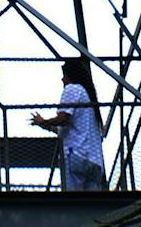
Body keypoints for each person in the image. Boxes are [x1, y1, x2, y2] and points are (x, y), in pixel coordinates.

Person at [32, 56, 107, 192]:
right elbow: (67, 126)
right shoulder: (89, 98)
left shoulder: (72, 89)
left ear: (70, 76)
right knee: (93, 207)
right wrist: (45, 125)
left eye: (64, 76)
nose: (62, 80)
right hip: (95, 160)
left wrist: (43, 121)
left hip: (76, 154)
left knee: (73, 200)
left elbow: (63, 118)